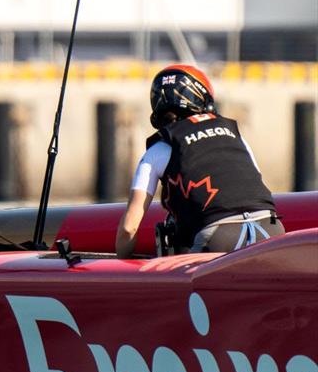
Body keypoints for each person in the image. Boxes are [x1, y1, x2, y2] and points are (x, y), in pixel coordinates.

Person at [116, 64, 284, 258]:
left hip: (218, 236)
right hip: (271, 229)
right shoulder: (236, 137)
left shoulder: (158, 150)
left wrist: (120, 269)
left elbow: (129, 228)